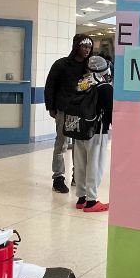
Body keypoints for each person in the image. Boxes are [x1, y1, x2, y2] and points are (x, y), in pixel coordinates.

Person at [45, 34, 93, 193]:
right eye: (84, 46)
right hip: (64, 109)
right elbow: (50, 86)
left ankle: (77, 176)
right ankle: (58, 177)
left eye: (89, 47)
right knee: (62, 143)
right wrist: (51, 107)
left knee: (79, 145)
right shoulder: (61, 65)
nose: (87, 49)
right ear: (76, 46)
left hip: (82, 111)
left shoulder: (89, 67)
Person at [72, 55, 113, 213]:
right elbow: (110, 111)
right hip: (96, 130)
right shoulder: (105, 87)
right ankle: (91, 201)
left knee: (80, 163)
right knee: (95, 164)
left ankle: (81, 198)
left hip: (78, 129)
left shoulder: (81, 83)